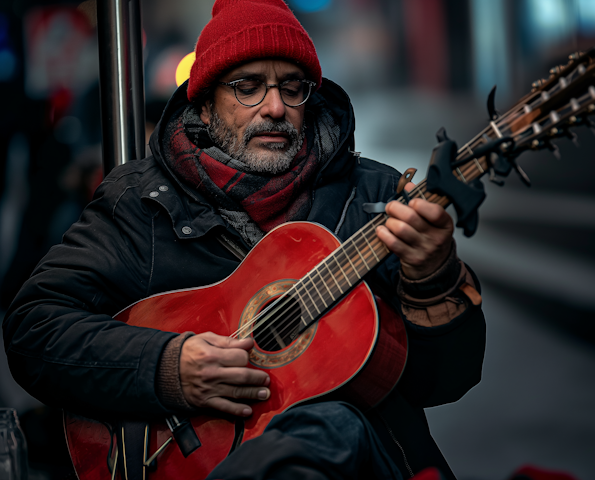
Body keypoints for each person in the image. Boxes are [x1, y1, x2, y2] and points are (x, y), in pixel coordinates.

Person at [3, 0, 486, 478]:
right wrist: (167, 368)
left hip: (359, 464)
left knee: (332, 425)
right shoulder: (141, 203)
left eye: (291, 88)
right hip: (192, 463)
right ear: (207, 104)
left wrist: (433, 280)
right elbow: (33, 328)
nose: (274, 108)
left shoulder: (375, 197)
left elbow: (446, 381)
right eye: (248, 87)